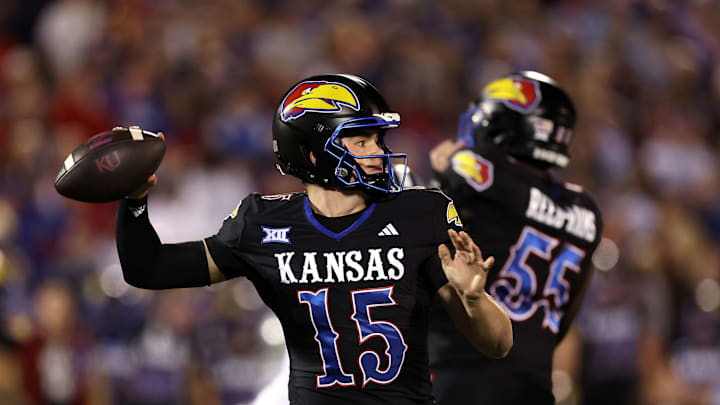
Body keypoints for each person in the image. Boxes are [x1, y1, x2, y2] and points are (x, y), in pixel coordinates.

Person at [115, 74, 512, 405]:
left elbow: (498, 345)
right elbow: (148, 268)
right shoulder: (262, 223)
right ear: (314, 153)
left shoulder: (420, 215)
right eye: (361, 141)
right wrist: (133, 200)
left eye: (378, 140)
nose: (379, 152)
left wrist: (475, 298)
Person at [427, 71, 603, 405]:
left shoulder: (474, 168)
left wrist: (438, 173)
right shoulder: (586, 209)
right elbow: (567, 313)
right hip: (533, 384)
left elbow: (449, 174)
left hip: (459, 374)